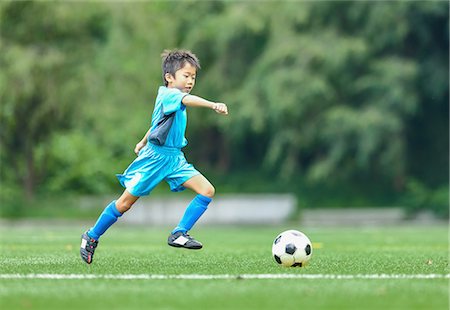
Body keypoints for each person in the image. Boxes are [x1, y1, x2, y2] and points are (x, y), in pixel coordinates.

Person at [80, 49, 228, 264]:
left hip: (175, 159)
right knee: (124, 204)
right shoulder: (169, 94)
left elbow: (157, 125)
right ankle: (91, 236)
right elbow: (186, 100)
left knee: (207, 190)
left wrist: (141, 141)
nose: (190, 81)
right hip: (155, 159)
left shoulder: (174, 100)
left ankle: (179, 233)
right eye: (186, 76)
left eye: (193, 77)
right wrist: (213, 104)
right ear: (169, 77)